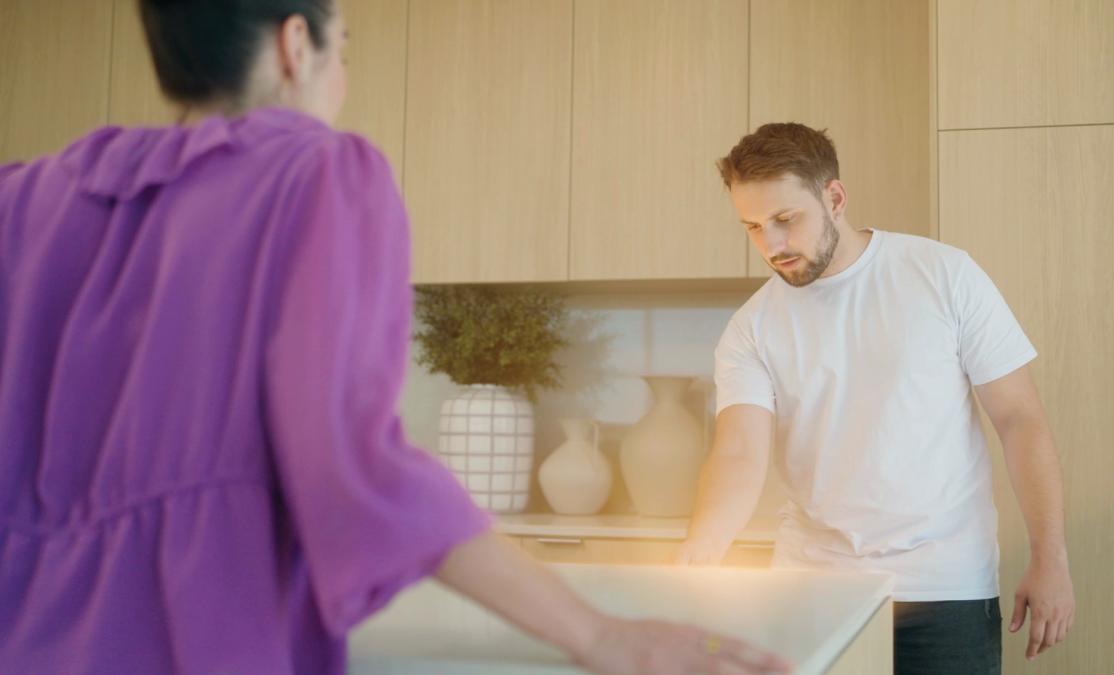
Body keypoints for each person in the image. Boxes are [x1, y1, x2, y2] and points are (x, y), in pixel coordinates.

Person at [0, 2, 792, 674]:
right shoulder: (314, 174)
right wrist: (601, 632)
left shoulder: (25, 199)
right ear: (294, 45)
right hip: (202, 637)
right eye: (343, 49)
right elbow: (350, 464)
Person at [673, 123, 1076, 674]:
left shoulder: (943, 275)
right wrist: (701, 549)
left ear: (834, 198)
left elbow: (1019, 418)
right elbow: (740, 454)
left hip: (946, 590)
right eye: (753, 227)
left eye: (786, 220)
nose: (771, 246)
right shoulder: (752, 329)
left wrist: (1050, 555)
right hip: (809, 593)